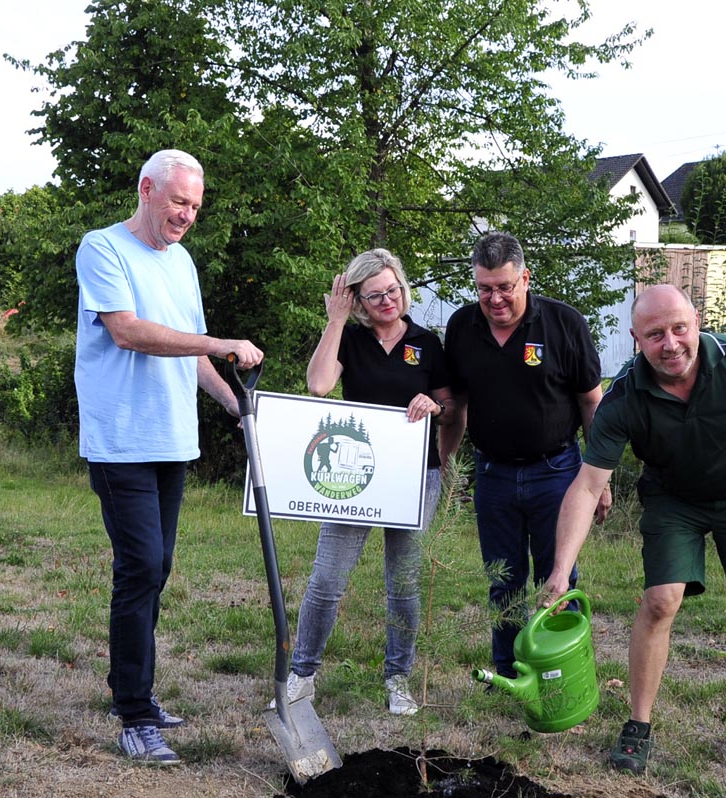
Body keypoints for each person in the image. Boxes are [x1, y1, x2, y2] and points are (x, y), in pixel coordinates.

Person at [543, 284, 726, 775]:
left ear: (697, 321)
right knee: (659, 601)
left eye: (679, 328)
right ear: (636, 339)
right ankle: (638, 727)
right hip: (673, 499)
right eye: (655, 334)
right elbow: (588, 487)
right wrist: (560, 572)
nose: (671, 343)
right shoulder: (624, 397)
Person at [74, 149, 264, 764]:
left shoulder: (181, 262)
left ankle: (138, 694)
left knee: (158, 569)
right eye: (179, 202)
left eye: (195, 207)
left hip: (172, 439)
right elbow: (126, 329)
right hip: (121, 439)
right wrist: (223, 341)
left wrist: (233, 404)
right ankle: (132, 714)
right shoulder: (101, 248)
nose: (187, 215)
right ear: (147, 189)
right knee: (141, 567)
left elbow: (194, 354)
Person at [276, 248, 454, 716]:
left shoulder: (428, 342)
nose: (387, 301)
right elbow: (318, 384)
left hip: (417, 477)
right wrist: (335, 320)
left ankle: (398, 678)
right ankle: (302, 674)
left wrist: (433, 407)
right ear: (357, 300)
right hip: (354, 478)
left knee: (404, 584)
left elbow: (451, 406)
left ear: (403, 287)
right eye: (374, 296)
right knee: (327, 579)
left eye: (392, 290)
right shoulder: (351, 340)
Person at [438, 231, 610, 681]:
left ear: (526, 278)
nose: (494, 298)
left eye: (504, 286)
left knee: (558, 581)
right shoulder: (461, 327)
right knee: (503, 582)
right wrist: (447, 467)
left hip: (558, 472)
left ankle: (563, 674)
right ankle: (510, 674)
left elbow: (593, 401)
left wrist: (600, 478)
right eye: (484, 288)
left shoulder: (563, 323)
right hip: (492, 474)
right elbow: (456, 406)